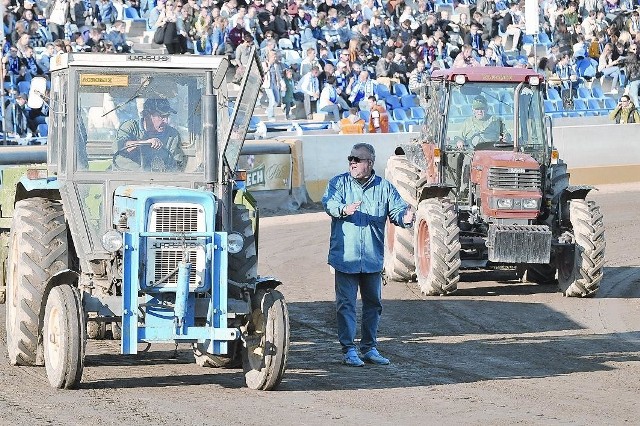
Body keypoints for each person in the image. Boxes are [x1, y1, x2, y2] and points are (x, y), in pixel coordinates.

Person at [321, 143, 414, 367]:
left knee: (373, 304)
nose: (352, 162)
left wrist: (406, 217)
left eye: (357, 159)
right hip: (345, 259)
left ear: (370, 163)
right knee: (346, 305)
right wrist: (343, 209)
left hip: (372, 259)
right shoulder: (338, 183)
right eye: (350, 158)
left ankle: (369, 348)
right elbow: (329, 203)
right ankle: (348, 350)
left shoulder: (384, 188)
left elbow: (397, 211)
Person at [114, 98, 185, 171]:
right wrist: (146, 142)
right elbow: (120, 146)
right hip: (125, 177)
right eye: (162, 116)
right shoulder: (130, 127)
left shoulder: (172, 134)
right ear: (146, 115)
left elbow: (177, 165)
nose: (166, 121)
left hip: (159, 179)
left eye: (167, 116)